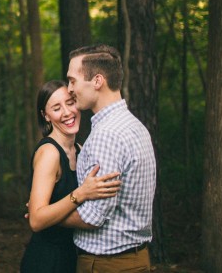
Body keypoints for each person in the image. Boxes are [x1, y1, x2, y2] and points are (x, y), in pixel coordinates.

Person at [63, 44, 157, 273]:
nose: (69, 89)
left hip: (106, 265)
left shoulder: (107, 136)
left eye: (73, 81)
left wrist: (45, 214)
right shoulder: (134, 126)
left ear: (97, 81)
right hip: (135, 260)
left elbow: (93, 217)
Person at [20, 80, 122, 273]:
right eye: (56, 108)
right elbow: (36, 221)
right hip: (47, 261)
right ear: (46, 116)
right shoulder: (50, 153)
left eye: (70, 102)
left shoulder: (80, 150)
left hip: (72, 256)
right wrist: (81, 194)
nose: (67, 112)